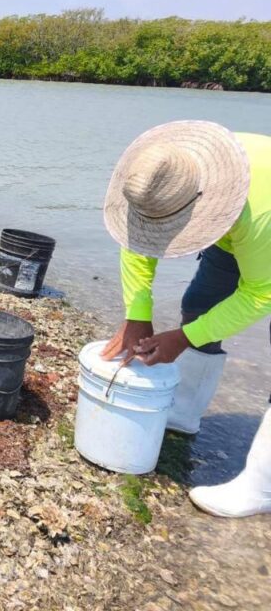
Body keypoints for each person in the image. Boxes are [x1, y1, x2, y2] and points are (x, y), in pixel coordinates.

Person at [100, 121, 271, 518]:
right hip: (235, 233)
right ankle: (184, 413)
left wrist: (185, 338)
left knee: (201, 324)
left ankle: (261, 485)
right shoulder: (168, 177)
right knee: (200, 303)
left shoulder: (258, 212)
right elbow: (138, 239)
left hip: (262, 228)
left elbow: (262, 293)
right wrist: (137, 313)